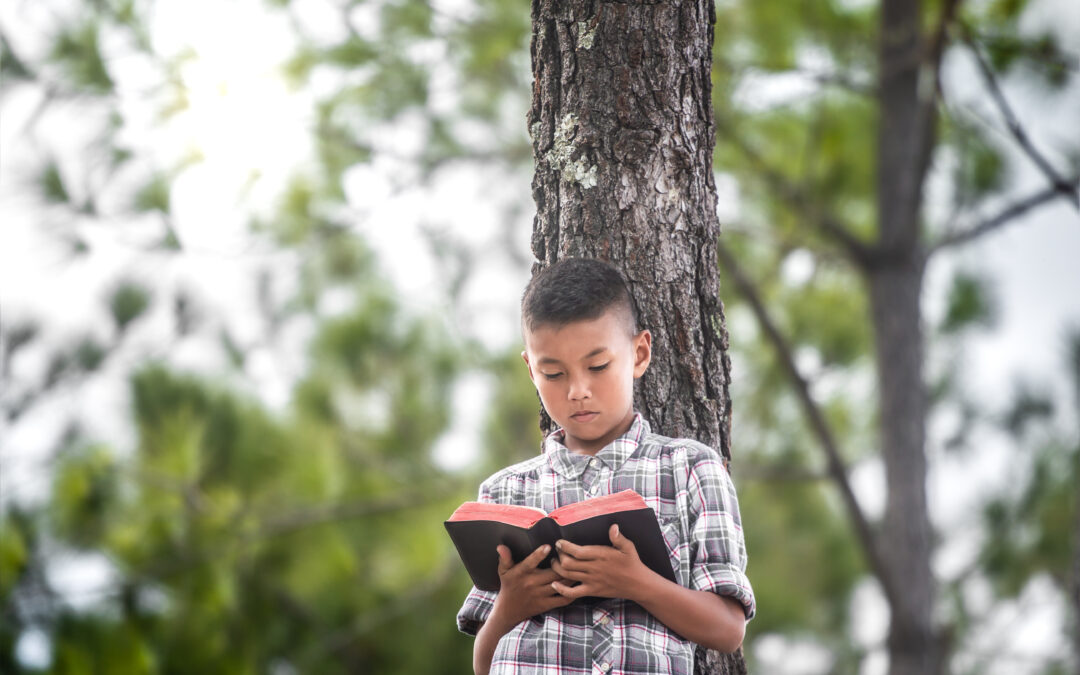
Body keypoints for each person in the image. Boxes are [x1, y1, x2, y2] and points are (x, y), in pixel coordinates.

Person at [456, 257, 755, 675]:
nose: (578, 391)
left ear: (639, 353)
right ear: (530, 370)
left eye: (597, 367)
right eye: (554, 373)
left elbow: (728, 629)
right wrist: (510, 607)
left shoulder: (690, 470)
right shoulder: (505, 493)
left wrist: (637, 583)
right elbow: (484, 664)